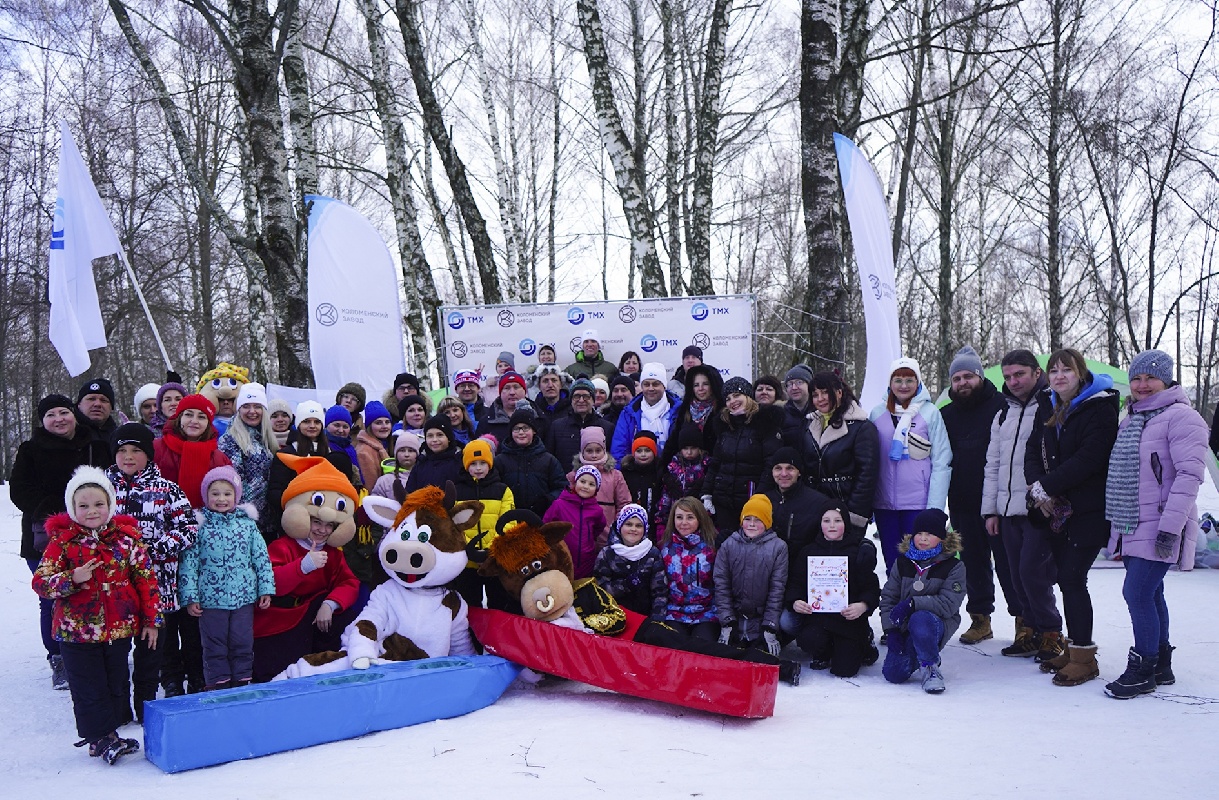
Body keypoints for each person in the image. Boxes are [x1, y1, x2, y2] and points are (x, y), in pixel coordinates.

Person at [32, 466, 160, 763]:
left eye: (99, 504)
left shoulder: (127, 539)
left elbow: (146, 580)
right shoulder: (62, 542)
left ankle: (110, 733)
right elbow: (40, 582)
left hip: (118, 628)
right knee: (88, 685)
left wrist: (152, 620)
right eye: (84, 506)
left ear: (111, 504)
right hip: (76, 630)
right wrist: (70, 579)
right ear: (73, 508)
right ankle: (98, 738)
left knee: (116, 681)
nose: (92, 511)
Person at [1103, 350, 1209, 698]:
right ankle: (1161, 663)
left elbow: (1189, 476)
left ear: (1167, 380)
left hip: (1161, 521)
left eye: (1150, 378)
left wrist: (1170, 528)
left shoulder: (1182, 417)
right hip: (1133, 521)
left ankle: (1143, 667)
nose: (1142, 384)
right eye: (1137, 378)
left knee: (1136, 592)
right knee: (1151, 592)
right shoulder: (1133, 417)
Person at [1024, 348, 1119, 686]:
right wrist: (1038, 490)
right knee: (1066, 578)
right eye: (1054, 370)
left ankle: (1084, 658)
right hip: (1056, 509)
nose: (1060, 375)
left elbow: (1089, 460)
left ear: (1081, 373)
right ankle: (1075, 647)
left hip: (1088, 509)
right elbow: (1034, 449)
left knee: (1072, 577)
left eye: (1067, 369)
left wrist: (1044, 489)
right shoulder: (1047, 405)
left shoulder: (1100, 408)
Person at [10, 394, 112, 689]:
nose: (59, 419)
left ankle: (95, 650)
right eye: (51, 414)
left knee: (93, 592)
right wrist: (59, 508)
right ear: (43, 421)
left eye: (63, 412)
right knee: (51, 598)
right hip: (44, 535)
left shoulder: (94, 444)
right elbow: (20, 491)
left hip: (94, 534)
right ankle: (58, 658)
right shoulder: (31, 450)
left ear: (73, 414)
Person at [105, 423, 196, 722]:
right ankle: (117, 709)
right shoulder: (103, 488)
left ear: (149, 455)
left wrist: (153, 550)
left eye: (136, 451)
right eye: (121, 451)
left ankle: (146, 706)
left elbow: (188, 529)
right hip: (114, 591)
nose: (128, 457)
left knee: (152, 650)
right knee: (116, 653)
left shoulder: (167, 490)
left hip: (158, 589)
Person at [153, 393, 231, 696]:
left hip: (203, 546)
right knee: (168, 614)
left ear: (209, 422)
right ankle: (170, 675)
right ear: (178, 418)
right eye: (189, 415)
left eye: (201, 416)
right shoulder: (159, 449)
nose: (194, 421)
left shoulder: (217, 455)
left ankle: (198, 674)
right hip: (166, 544)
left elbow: (228, 496)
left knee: (196, 612)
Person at [982, 350, 1057, 658]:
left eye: (1019, 375)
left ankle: (1051, 632)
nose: (1013, 381)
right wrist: (990, 509)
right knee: (1014, 575)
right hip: (1007, 508)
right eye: (1008, 376)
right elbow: (993, 463)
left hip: (1037, 509)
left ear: (1037, 373)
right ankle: (1030, 630)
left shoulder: (1050, 406)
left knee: (1032, 573)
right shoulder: (1003, 413)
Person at [940, 346, 1016, 646]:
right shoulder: (945, 414)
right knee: (972, 563)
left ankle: (1024, 621)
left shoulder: (1003, 406)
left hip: (1000, 502)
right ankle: (980, 620)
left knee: (1010, 564)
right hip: (961, 501)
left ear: (980, 376)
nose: (962, 383)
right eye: (957, 378)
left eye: (968, 376)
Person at [178, 467, 275, 690]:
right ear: (206, 496)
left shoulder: (248, 525)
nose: (221, 499)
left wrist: (265, 589)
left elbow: (261, 559)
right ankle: (217, 684)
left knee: (242, 642)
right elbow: (189, 565)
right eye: (215, 493)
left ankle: (242, 681)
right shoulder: (200, 527)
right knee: (215, 645)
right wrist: (190, 597)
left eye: (227, 493)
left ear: (236, 496)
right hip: (210, 601)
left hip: (243, 598)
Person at [869, 358, 953, 573]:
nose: (903, 385)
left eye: (909, 380)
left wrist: (935, 507)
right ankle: (894, 606)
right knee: (893, 563)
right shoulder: (877, 414)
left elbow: (942, 461)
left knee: (919, 564)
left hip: (918, 503)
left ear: (918, 383)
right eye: (898, 380)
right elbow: (869, 459)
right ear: (890, 383)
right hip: (884, 503)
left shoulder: (930, 413)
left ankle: (918, 606)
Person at [784, 500, 880, 677]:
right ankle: (823, 652)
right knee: (809, 640)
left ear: (846, 522)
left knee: (844, 671)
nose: (832, 525)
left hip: (848, 620)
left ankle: (865, 641)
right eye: (826, 520)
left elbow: (871, 586)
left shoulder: (857, 551)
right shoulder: (808, 551)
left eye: (838, 520)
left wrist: (863, 606)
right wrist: (796, 601)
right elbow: (796, 582)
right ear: (819, 523)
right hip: (818, 619)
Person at [879, 508, 966, 694]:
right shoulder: (902, 562)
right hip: (906, 626)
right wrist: (891, 629)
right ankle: (918, 647)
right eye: (919, 533)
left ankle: (930, 666)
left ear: (942, 538)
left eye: (930, 534)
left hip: (936, 623)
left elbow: (948, 603)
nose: (923, 538)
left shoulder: (954, 566)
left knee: (920, 618)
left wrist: (913, 604)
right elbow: (888, 597)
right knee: (893, 673)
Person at [701, 378, 785, 542]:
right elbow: (716, 463)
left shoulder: (764, 422)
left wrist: (758, 497)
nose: (732, 401)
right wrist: (707, 493)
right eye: (728, 398)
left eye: (736, 395)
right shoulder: (725, 426)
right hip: (724, 501)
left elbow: (770, 465)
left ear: (748, 395)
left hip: (750, 501)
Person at [799, 371, 878, 538]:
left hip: (846, 510)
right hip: (815, 508)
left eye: (825, 392)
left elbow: (867, 476)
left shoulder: (861, 427)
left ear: (839, 393)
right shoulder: (809, 424)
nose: (820, 398)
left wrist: (855, 515)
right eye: (815, 394)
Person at [265, 401, 358, 534]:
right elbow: (274, 492)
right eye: (307, 421)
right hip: (297, 524)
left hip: (327, 523)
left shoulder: (334, 455)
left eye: (317, 422)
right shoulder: (286, 455)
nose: (312, 426)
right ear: (299, 424)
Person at [713, 495, 788, 657]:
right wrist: (727, 621)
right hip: (735, 619)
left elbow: (777, 589)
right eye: (748, 519)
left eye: (758, 519)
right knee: (729, 658)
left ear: (767, 522)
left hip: (761, 619)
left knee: (760, 658)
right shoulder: (729, 545)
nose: (752, 524)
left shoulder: (778, 548)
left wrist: (770, 625)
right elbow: (721, 585)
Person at [451, 439, 515, 610]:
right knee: (469, 605)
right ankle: (471, 635)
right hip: (466, 561)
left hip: (495, 560)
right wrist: (470, 550)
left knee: (498, 603)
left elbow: (509, 522)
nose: (478, 468)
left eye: (482, 463)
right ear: (466, 465)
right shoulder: (457, 491)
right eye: (473, 464)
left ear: (490, 464)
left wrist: (491, 550)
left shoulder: (502, 490)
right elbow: (453, 524)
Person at [764, 447, 829, 584]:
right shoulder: (764, 500)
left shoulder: (818, 502)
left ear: (799, 472)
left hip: (803, 574)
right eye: (778, 468)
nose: (784, 473)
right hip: (769, 574)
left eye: (790, 468)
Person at [658, 497, 719, 641]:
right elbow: (659, 587)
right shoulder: (664, 548)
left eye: (690, 517)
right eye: (679, 517)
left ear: (700, 519)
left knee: (701, 647)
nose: (684, 523)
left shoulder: (712, 548)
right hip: (674, 613)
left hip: (706, 613)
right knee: (674, 647)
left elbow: (721, 585)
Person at [218, 382, 279, 525]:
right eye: (246, 406)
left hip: (268, 519)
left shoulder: (266, 438)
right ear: (239, 409)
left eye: (257, 406)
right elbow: (233, 482)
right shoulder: (230, 440)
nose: (252, 411)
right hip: (243, 519)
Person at [593, 504, 667, 618]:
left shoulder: (653, 554)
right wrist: (625, 585)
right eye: (628, 524)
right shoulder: (607, 553)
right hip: (614, 617)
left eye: (638, 525)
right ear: (620, 526)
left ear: (645, 529)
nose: (633, 529)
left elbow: (660, 593)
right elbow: (600, 590)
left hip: (644, 618)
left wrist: (657, 621)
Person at [497, 408, 567, 516]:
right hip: (509, 519)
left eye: (525, 428)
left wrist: (548, 500)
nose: (521, 432)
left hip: (541, 517)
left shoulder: (548, 460)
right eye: (516, 429)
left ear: (534, 431)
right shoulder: (500, 461)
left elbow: (562, 488)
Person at [543, 465, 609, 579]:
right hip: (561, 559)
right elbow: (546, 526)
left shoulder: (596, 510)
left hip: (586, 561)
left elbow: (599, 527)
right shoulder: (559, 504)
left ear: (596, 489)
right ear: (575, 482)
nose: (586, 487)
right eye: (582, 481)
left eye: (591, 484)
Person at [612, 362, 682, 460]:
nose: (651, 388)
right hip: (638, 471)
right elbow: (619, 447)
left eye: (655, 384)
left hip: (673, 470)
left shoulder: (679, 410)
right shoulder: (629, 412)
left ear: (664, 386)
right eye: (646, 384)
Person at [545, 377, 615, 470]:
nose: (581, 400)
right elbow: (550, 460)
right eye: (577, 396)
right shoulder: (557, 427)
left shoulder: (607, 427)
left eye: (586, 396)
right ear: (571, 400)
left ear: (593, 400)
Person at [660, 363, 723, 466]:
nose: (700, 388)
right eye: (696, 385)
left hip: (713, 470)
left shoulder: (721, 412)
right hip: (686, 471)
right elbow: (673, 443)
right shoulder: (685, 410)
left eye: (705, 384)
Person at [570, 426, 631, 529]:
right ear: (582, 452)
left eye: (598, 450)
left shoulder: (615, 475)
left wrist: (616, 526)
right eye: (589, 451)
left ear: (604, 450)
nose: (594, 455)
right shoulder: (573, 475)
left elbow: (624, 504)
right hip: (580, 530)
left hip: (608, 530)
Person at [657, 426, 709, 539]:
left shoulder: (707, 467)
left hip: (699, 517)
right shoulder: (673, 467)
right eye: (685, 448)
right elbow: (666, 497)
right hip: (677, 517)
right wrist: (661, 521)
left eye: (693, 448)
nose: (689, 452)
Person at [404, 415, 465, 492]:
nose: (435, 440)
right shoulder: (420, 464)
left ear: (448, 438)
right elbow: (410, 492)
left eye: (440, 435)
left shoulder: (459, 461)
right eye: (430, 436)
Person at [620, 431, 662, 525]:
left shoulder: (660, 472)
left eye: (647, 450)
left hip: (654, 522)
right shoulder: (626, 472)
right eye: (639, 451)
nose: (643, 454)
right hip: (631, 522)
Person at [476, 371, 531, 444]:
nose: (512, 392)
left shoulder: (538, 417)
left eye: (516, 387)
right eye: (507, 388)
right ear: (500, 393)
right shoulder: (486, 422)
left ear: (525, 391)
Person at [373, 430, 421, 501]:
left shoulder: (424, 476)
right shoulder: (385, 480)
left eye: (411, 451)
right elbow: (376, 504)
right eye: (402, 450)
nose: (406, 454)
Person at [354, 400, 393, 486]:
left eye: (387, 422)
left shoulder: (387, 445)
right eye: (378, 423)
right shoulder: (364, 452)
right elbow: (371, 487)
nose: (384, 426)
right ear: (369, 426)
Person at [76, 378, 119, 449]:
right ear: (79, 404)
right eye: (91, 399)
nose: (97, 404)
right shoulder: (67, 432)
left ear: (111, 407)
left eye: (103, 400)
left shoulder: (118, 437)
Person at [323, 406, 361, 482]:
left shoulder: (350, 449)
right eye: (336, 425)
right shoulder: (323, 447)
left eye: (345, 427)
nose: (341, 430)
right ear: (327, 425)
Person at [780, 364, 814, 443]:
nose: (794, 387)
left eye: (799, 382)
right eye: (790, 384)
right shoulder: (781, 415)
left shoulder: (820, 413)